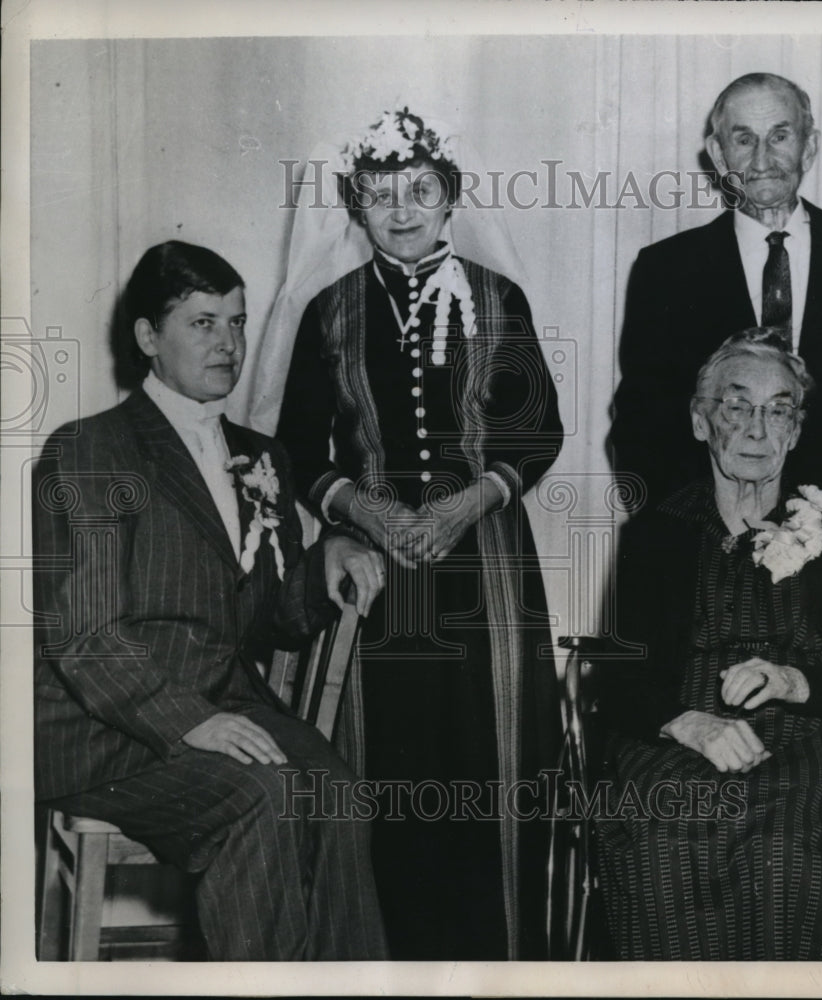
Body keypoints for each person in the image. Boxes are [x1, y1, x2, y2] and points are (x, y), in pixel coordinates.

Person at [33, 241, 389, 961]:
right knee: (264, 801)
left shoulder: (263, 458)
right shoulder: (90, 450)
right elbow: (88, 639)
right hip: (107, 732)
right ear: (146, 338)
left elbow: (270, 622)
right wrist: (191, 721)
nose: (228, 344)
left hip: (227, 704)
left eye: (237, 322)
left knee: (340, 795)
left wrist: (330, 554)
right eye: (203, 324)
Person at [271, 109, 564, 960]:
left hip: (487, 568)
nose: (402, 209)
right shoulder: (330, 310)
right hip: (373, 571)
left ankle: (502, 963)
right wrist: (365, 512)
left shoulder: (499, 299)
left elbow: (538, 433)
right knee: (384, 771)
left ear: (451, 199)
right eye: (380, 194)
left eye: (420, 191)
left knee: (490, 764)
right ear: (356, 207)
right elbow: (294, 446)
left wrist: (462, 507)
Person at [597, 329, 822, 960]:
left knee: (787, 847)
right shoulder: (657, 535)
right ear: (700, 421)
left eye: (779, 411)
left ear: (796, 431)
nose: (758, 430)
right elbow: (616, 677)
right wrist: (688, 722)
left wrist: (796, 682)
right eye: (737, 407)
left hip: (818, 740)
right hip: (683, 737)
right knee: (668, 835)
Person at [611, 72, 822, 518]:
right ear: (718, 153)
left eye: (780, 136)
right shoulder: (666, 268)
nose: (762, 159)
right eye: (744, 139)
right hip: (712, 537)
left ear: (809, 145)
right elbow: (642, 413)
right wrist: (684, 521)